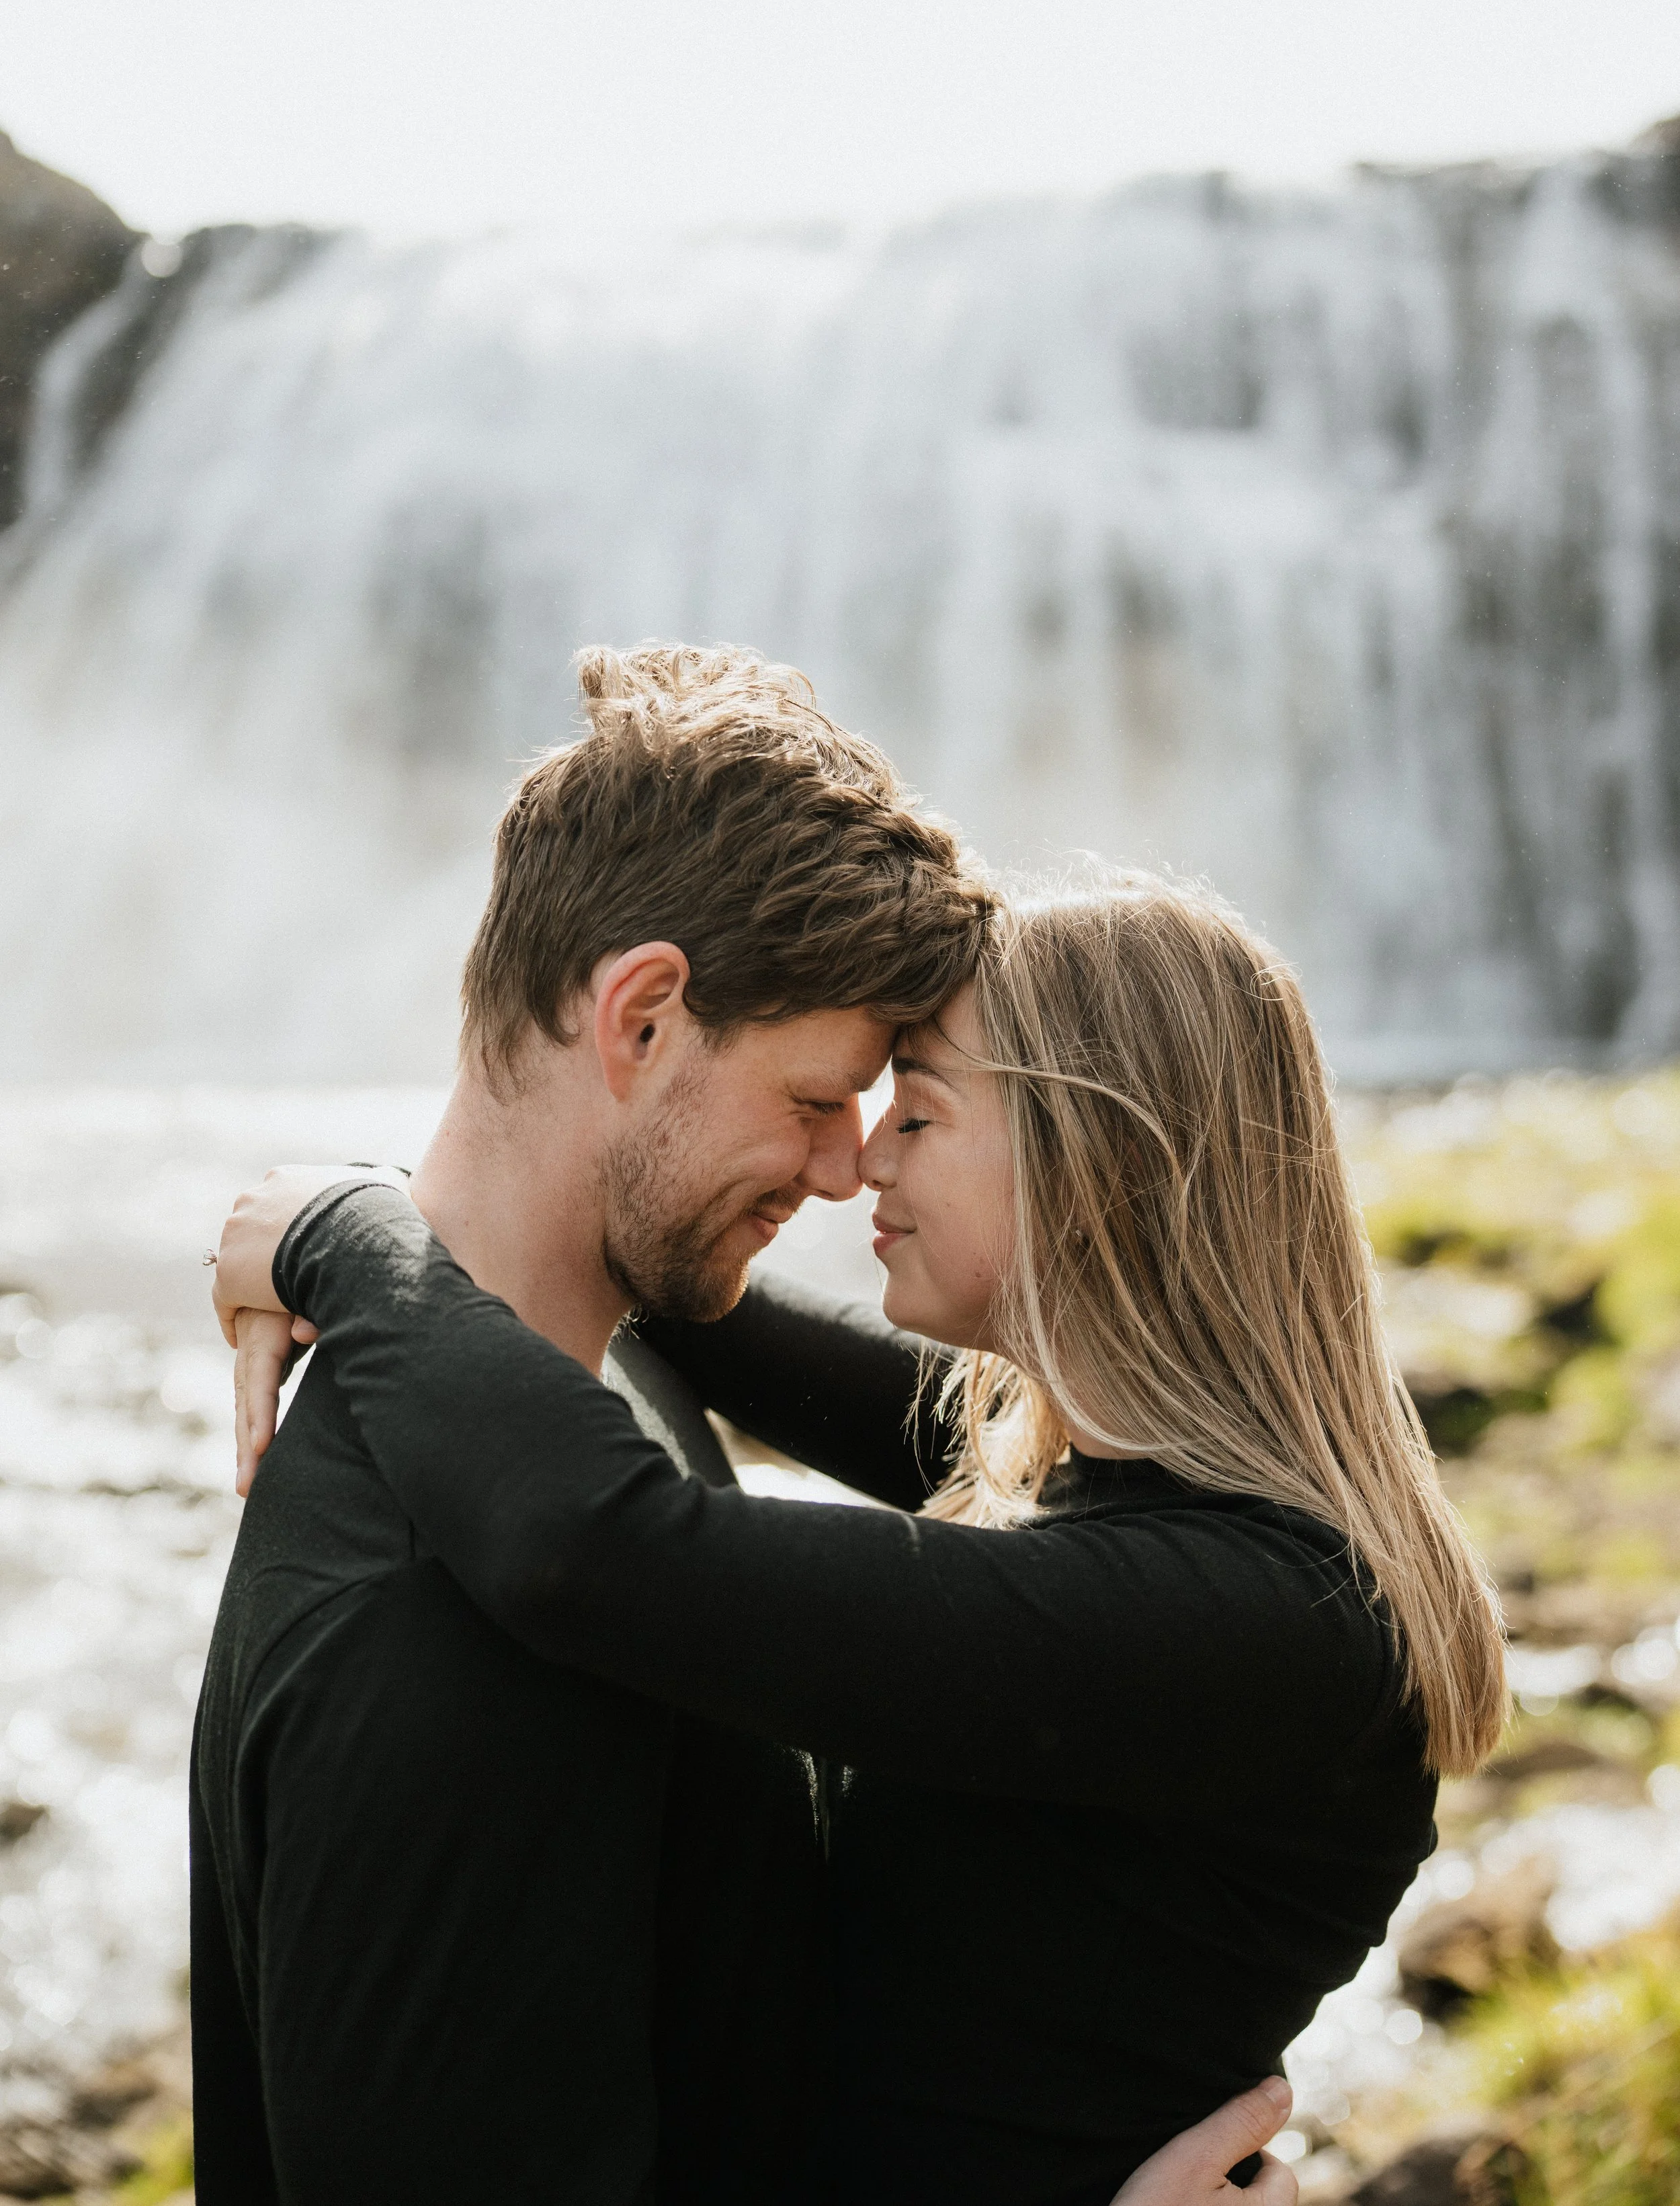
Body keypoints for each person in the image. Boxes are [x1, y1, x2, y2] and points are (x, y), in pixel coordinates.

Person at [218, 868, 1509, 2203]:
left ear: (1098, 1172)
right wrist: (454, 1197)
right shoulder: (1161, 1507)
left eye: (922, 1110)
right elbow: (689, 1297)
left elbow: (595, 1548)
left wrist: (343, 1241)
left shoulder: (1242, 1622)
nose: (863, 1161)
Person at [190, 642, 993, 2205]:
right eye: (814, 1097)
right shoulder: (438, 1644)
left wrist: (329, 1224)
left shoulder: (605, 1377)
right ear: (639, 1020)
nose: (843, 1173)